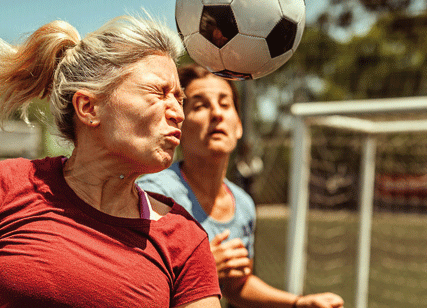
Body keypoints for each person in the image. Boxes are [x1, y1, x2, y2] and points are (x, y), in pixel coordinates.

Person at [0, 15, 221, 308]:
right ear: (89, 107)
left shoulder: (184, 241)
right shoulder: (2, 187)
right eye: (159, 93)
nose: (178, 112)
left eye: (179, 97)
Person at [138, 65, 345, 308]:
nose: (216, 113)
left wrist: (299, 303)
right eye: (200, 105)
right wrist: (201, 269)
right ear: (179, 127)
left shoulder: (243, 205)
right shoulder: (152, 194)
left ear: (238, 125)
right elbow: (136, 288)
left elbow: (237, 286)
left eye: (225, 104)